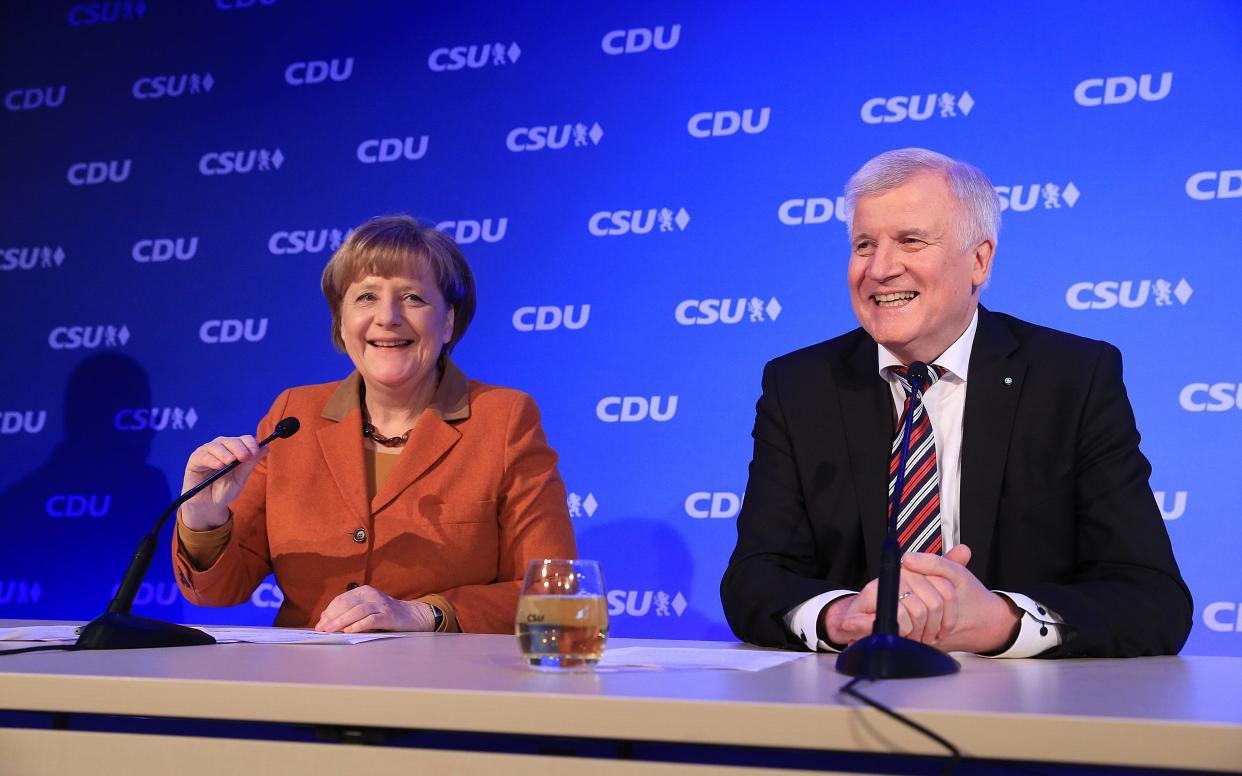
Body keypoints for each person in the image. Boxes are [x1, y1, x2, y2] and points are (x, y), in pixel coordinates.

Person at [720, 148, 1191, 658]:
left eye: (910, 241)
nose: (879, 269)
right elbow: (754, 580)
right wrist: (840, 616)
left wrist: (1000, 621)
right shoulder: (800, 386)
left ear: (980, 260)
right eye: (863, 244)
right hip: (851, 696)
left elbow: (1153, 598)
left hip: (1026, 715)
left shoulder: (1072, 379)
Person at [173, 215, 575, 634]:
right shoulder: (295, 414)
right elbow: (217, 592)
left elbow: (554, 594)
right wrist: (203, 513)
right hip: (304, 685)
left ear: (449, 321)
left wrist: (427, 613)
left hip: (441, 688)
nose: (388, 317)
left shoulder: (503, 418)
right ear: (341, 322)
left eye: (413, 298)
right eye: (366, 297)